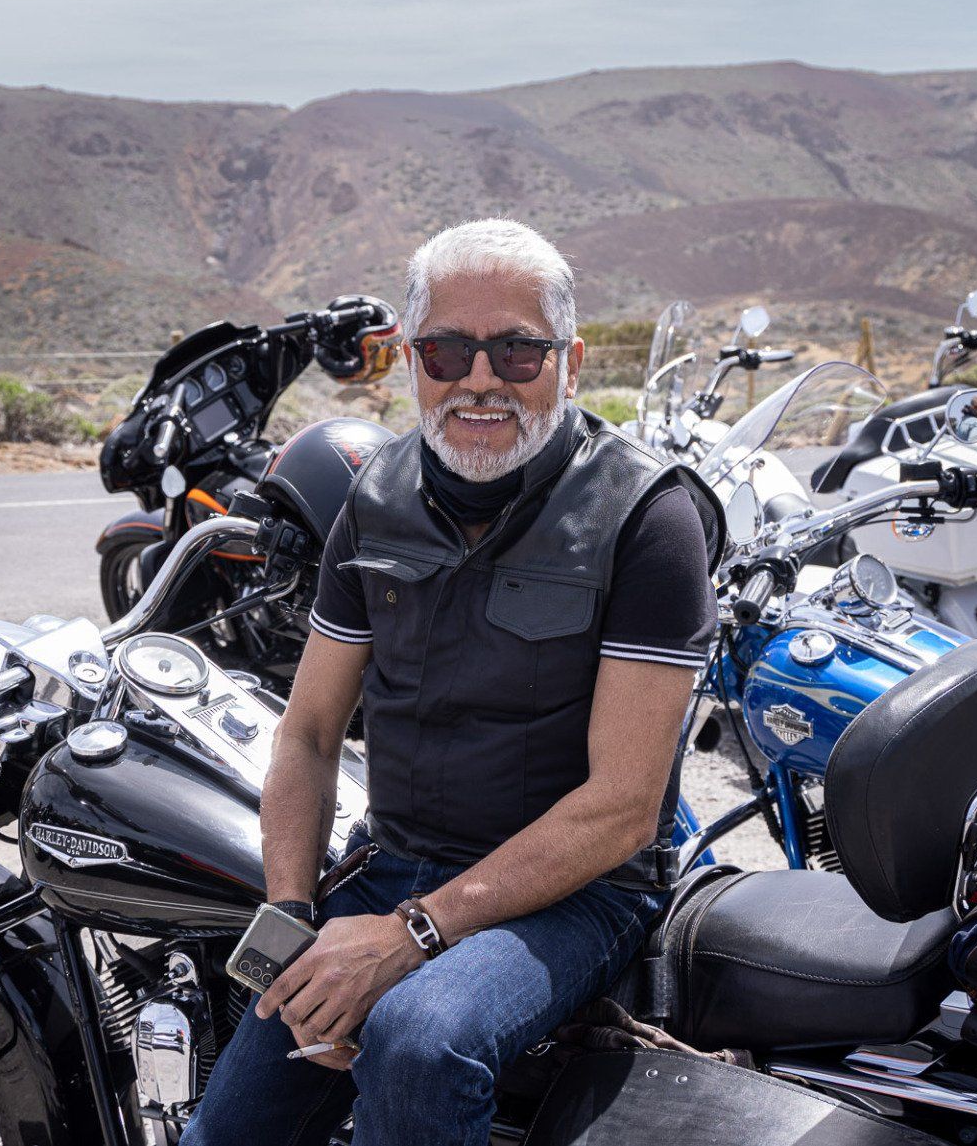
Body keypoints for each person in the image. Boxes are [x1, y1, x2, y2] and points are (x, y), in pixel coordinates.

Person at [182, 219, 723, 1146]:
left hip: (581, 895)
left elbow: (624, 808)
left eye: (517, 349)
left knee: (420, 1040)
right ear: (408, 359)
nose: (479, 378)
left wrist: (410, 938)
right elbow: (309, 733)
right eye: (447, 349)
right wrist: (289, 922)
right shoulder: (376, 493)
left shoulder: (648, 513)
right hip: (395, 863)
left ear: (571, 360)